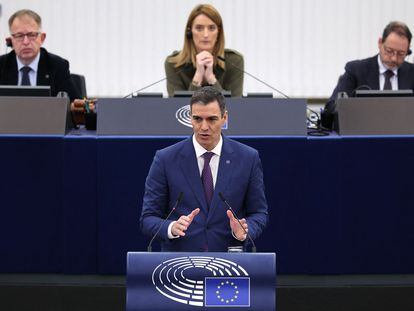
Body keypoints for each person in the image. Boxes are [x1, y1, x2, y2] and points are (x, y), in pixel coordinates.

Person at [140, 86, 268, 252]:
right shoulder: (165, 159)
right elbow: (148, 218)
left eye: (212, 119)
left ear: (224, 118)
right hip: (180, 263)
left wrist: (244, 230)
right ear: (190, 119)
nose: (204, 127)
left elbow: (259, 213)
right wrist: (171, 227)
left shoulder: (248, 158)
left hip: (228, 262)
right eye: (197, 119)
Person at [322, 21, 414, 129]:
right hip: (364, 135)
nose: (394, 58)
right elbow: (331, 106)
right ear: (380, 43)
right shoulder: (356, 70)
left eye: (401, 54)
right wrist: (352, 108)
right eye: (389, 51)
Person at [0, 9, 81, 102]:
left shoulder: (58, 66)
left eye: (31, 35)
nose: (26, 42)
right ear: (10, 40)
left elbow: (74, 106)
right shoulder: (2, 66)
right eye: (19, 36)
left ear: (42, 38)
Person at [165, 4, 244, 97]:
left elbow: (235, 107)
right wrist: (198, 76)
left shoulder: (234, 61)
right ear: (189, 32)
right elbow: (178, 108)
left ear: (219, 32)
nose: (206, 34)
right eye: (199, 28)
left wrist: (211, 78)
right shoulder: (173, 64)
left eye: (211, 28)